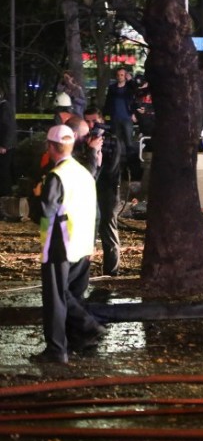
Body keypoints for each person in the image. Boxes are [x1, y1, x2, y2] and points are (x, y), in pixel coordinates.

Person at [31, 125, 106, 364]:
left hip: (59, 244)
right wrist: (92, 243)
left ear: (50, 147)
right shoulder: (83, 173)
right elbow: (95, 211)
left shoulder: (56, 176)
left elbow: (44, 213)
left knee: (55, 299)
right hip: (82, 244)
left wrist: (36, 196)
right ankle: (80, 339)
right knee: (71, 294)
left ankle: (60, 347)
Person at [85, 106, 123, 277]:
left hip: (107, 190)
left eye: (94, 121)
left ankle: (111, 271)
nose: (91, 125)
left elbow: (112, 168)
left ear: (101, 120)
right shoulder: (84, 139)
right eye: (87, 121)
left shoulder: (112, 140)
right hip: (89, 189)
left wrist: (95, 157)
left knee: (108, 229)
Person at [103, 67, 139, 180]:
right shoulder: (112, 88)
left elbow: (136, 91)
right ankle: (116, 167)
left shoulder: (129, 87)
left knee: (129, 143)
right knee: (116, 143)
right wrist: (105, 115)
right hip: (115, 118)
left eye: (122, 75)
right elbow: (108, 102)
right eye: (118, 75)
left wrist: (130, 80)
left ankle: (132, 168)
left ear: (125, 76)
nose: (120, 77)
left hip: (127, 118)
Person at [0, 87, 17, 198]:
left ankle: (5, 194)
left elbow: (8, 127)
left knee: (3, 171)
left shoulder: (4, 108)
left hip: (5, 147)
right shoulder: (4, 107)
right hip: (7, 145)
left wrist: (4, 145)